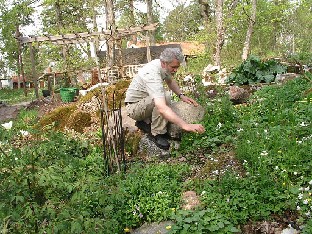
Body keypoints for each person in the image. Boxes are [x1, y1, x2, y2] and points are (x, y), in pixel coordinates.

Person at [125, 48, 205, 150]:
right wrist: (186, 125)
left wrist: (181, 96)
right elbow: (161, 107)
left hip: (144, 102)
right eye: (174, 67)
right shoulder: (152, 74)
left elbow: (170, 81)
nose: (175, 70)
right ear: (164, 63)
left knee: (164, 96)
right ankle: (157, 134)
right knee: (163, 97)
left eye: (177, 67)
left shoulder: (163, 66)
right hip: (134, 108)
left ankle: (146, 123)